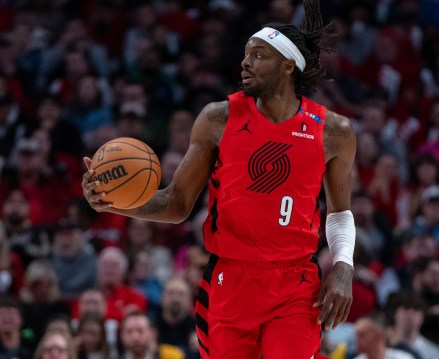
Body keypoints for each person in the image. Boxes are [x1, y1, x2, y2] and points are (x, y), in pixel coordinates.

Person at [82, 1, 356, 358]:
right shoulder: (217, 120)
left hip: (294, 282)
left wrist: (343, 266)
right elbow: (175, 204)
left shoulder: (332, 131)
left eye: (258, 55)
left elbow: (339, 213)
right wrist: (115, 201)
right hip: (230, 280)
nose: (245, 63)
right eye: (245, 54)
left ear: (288, 66)